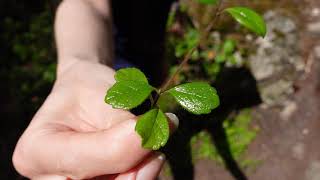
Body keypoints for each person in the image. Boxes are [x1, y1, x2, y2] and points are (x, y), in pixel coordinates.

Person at [12, 0, 178, 179]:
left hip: (150, 53)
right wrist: (79, 63)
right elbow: (86, 3)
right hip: (110, 59)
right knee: (131, 142)